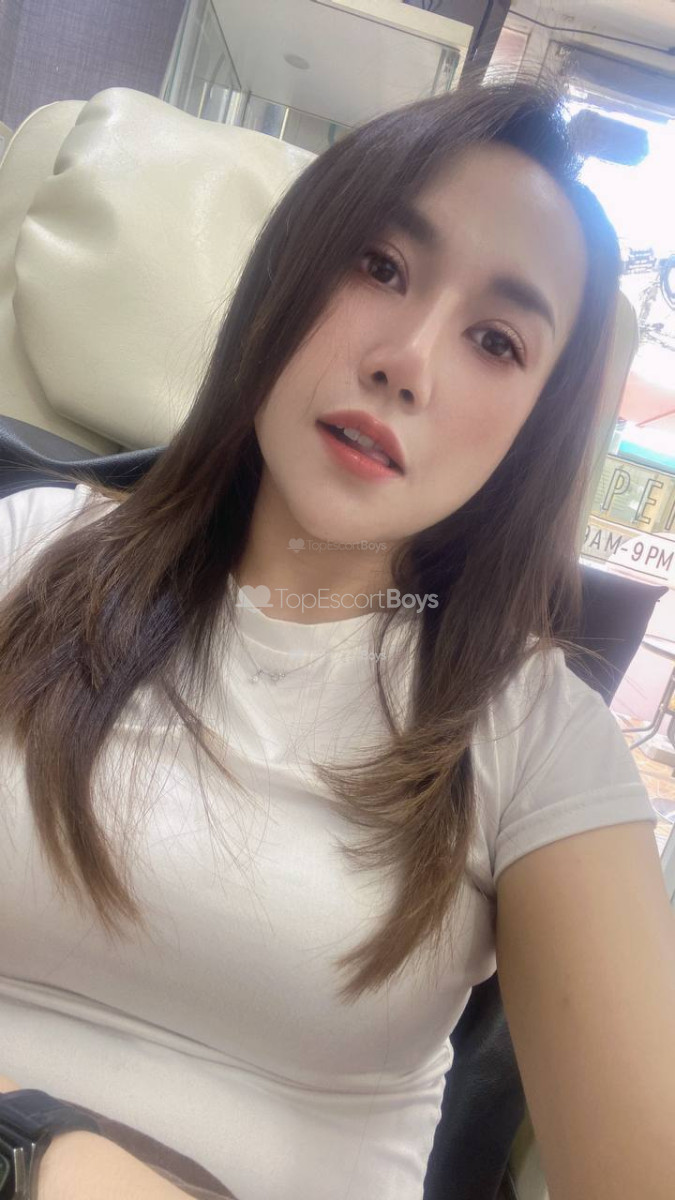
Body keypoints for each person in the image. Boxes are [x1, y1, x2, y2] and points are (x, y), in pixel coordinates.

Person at [0, 75, 673, 1200]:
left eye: (496, 340)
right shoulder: (26, 552)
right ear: (287, 278)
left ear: (533, 434)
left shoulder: (535, 738)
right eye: (379, 266)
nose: (407, 359)